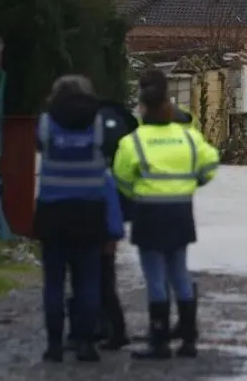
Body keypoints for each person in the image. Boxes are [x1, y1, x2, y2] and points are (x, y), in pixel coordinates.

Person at [113, 69, 220, 360]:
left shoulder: (133, 141)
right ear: (170, 107)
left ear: (143, 109)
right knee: (179, 273)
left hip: (148, 212)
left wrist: (137, 193)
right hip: (180, 212)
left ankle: (159, 340)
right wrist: (195, 183)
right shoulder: (187, 136)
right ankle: (188, 339)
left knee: (155, 277)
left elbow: (121, 176)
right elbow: (211, 161)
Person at [34, 75, 119, 363]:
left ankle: (54, 345)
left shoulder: (45, 125)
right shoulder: (98, 125)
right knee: (88, 282)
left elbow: (39, 148)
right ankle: (85, 343)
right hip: (89, 212)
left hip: (53, 213)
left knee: (54, 283)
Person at [66, 100, 137, 352]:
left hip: (83, 219)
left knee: (82, 276)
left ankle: (85, 331)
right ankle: (111, 328)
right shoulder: (123, 124)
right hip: (109, 216)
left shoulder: (77, 140)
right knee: (105, 276)